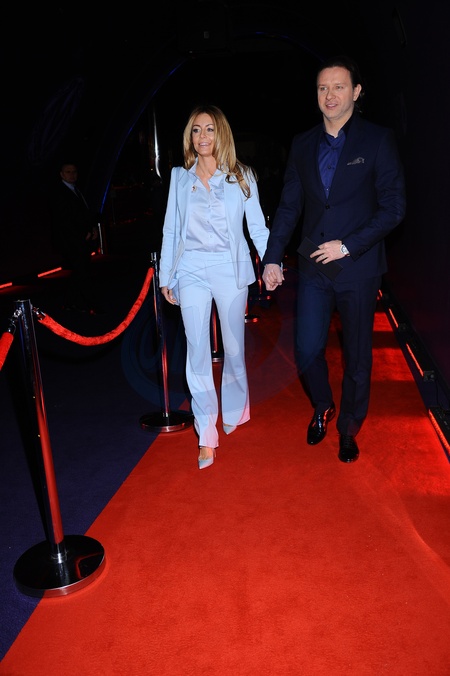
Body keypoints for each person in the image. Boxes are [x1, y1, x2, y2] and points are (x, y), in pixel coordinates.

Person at [262, 55, 406, 463]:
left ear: (356, 92)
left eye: (339, 86)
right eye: (323, 87)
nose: (330, 94)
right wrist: (272, 257)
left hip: (358, 265)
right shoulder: (303, 143)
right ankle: (323, 405)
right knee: (307, 349)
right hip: (312, 264)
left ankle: (348, 428)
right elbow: (289, 206)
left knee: (357, 357)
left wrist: (348, 245)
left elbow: (394, 208)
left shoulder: (377, 140)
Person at [159, 104, 270, 469]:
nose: (202, 136)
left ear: (220, 133)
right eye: (196, 130)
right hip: (191, 268)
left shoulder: (242, 176)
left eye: (208, 129)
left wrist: (270, 261)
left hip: (229, 268)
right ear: (189, 137)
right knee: (196, 349)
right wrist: (166, 276)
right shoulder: (179, 178)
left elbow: (257, 227)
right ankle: (206, 434)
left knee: (234, 346)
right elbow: (171, 230)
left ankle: (235, 410)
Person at [50, 162, 101, 314]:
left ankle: (70, 302)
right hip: (72, 241)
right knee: (82, 272)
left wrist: (91, 228)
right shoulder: (60, 192)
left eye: (74, 172)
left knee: (79, 271)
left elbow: (83, 213)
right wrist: (84, 232)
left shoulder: (75, 190)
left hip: (80, 239)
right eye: (68, 172)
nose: (72, 175)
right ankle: (91, 305)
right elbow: (65, 219)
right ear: (61, 174)